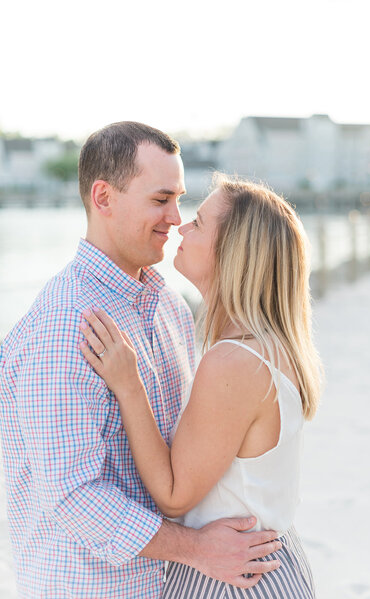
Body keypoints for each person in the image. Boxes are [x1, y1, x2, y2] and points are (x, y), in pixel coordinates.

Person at [0, 123, 281, 599]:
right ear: (104, 198)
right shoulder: (63, 325)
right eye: (160, 199)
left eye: (179, 198)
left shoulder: (169, 305)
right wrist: (196, 548)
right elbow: (74, 496)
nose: (175, 216)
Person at [79, 174, 323, 598]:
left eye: (198, 221)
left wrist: (128, 383)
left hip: (232, 576)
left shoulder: (234, 361)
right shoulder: (267, 346)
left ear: (234, 252)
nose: (180, 227)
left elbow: (175, 496)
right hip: (262, 563)